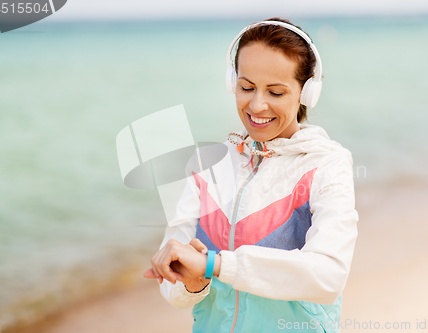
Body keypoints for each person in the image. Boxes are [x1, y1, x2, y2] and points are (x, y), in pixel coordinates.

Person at [144, 17, 359, 333]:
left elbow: (328, 275)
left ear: (307, 92)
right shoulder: (207, 165)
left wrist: (217, 266)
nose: (257, 105)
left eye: (276, 92)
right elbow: (173, 286)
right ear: (233, 82)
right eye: (246, 87)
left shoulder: (327, 164)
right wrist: (192, 283)